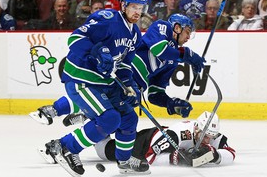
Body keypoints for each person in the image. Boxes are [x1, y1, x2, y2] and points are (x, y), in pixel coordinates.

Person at [36, 0, 150, 177]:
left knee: (129, 118)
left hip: (103, 83)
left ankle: (123, 160)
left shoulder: (135, 33)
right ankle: (65, 147)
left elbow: (124, 65)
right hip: (81, 79)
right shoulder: (108, 19)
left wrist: (129, 87)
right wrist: (97, 51)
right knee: (110, 119)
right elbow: (75, 38)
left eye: (141, 8)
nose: (137, 12)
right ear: (123, 5)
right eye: (134, 7)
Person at [30, 14, 205, 127]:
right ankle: (54, 110)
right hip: (124, 74)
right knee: (98, 94)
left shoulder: (173, 62)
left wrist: (170, 103)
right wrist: (187, 55)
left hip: (134, 88)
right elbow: (160, 49)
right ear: (176, 27)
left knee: (113, 115)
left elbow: (154, 93)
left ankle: (85, 117)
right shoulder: (162, 27)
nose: (188, 37)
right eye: (187, 32)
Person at [94, 111, 235, 167]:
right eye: (205, 136)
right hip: (144, 144)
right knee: (102, 149)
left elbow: (231, 153)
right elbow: (150, 157)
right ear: (196, 128)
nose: (208, 140)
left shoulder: (212, 135)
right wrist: (176, 158)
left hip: (154, 142)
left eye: (212, 136)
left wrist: (215, 154)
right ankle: (92, 120)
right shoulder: (177, 134)